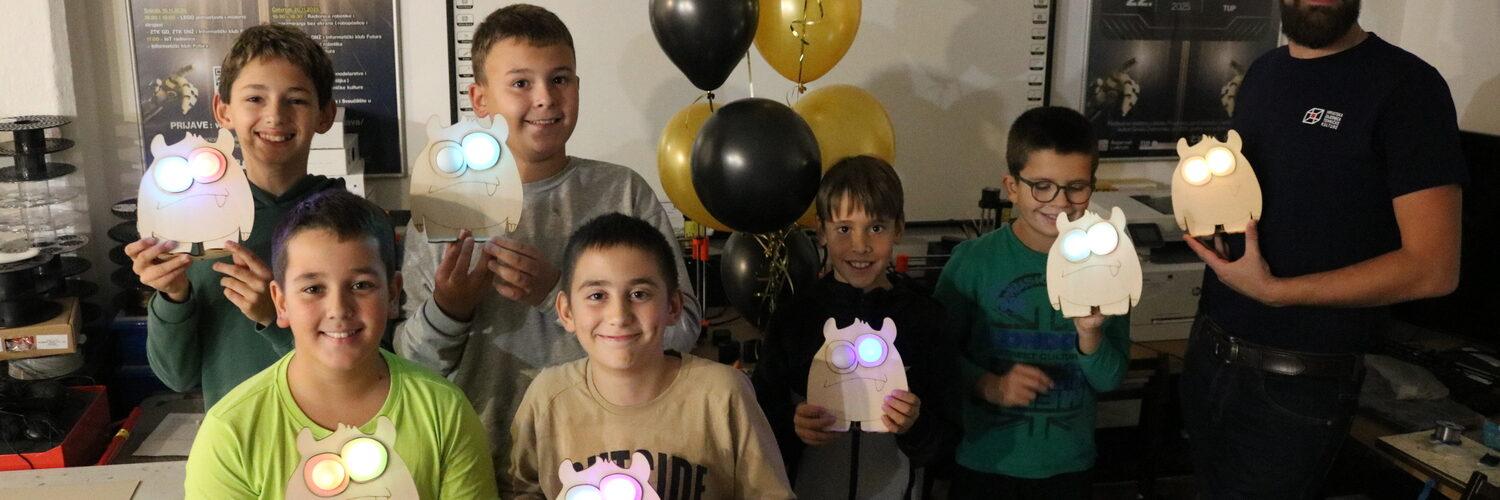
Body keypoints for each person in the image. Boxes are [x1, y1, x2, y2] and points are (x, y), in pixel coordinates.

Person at [393, 3, 701, 473]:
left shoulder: (622, 192)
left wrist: (558, 294)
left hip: (612, 458)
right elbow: (413, 367)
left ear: (577, 86)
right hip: (479, 455)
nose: (545, 98)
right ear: (480, 100)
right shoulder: (444, 206)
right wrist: (449, 310)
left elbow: (681, 333)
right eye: (520, 83)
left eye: (560, 79)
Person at [1180, 1, 1467, 497]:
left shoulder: (1408, 87)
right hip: (1210, 354)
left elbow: (1433, 268)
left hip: (1296, 383)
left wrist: (1277, 292)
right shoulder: (1264, 73)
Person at [184, 190, 496, 499]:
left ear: (392, 294)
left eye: (361, 285)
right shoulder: (231, 431)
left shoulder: (445, 412)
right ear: (280, 302)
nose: (338, 309)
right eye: (313, 288)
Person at [129, 23, 373, 409]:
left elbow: (372, 364)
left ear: (325, 115)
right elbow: (177, 376)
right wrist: (172, 296)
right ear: (222, 110)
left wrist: (274, 317)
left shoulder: (361, 225)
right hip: (234, 435)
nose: (274, 116)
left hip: (337, 432)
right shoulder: (190, 222)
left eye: (296, 100)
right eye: (255, 98)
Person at [504, 213, 792, 499]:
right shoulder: (547, 397)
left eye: (639, 294)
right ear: (566, 311)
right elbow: (520, 490)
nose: (619, 316)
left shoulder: (723, 394)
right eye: (597, 296)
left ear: (673, 306)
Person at [933, 106, 1130, 499]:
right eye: (1042, 185)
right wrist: (989, 385)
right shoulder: (973, 262)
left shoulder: (1110, 265)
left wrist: (1090, 336)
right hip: (985, 464)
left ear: (1092, 186)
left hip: (1068, 468)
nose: (1060, 201)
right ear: (1012, 187)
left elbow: (1110, 378)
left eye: (1076, 186)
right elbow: (934, 357)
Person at [751, 155, 954, 498]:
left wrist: (915, 426)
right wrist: (792, 424)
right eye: (844, 229)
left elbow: (947, 444)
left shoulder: (925, 319)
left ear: (898, 229)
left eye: (876, 227)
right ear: (821, 232)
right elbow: (759, 421)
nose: (860, 246)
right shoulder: (794, 319)